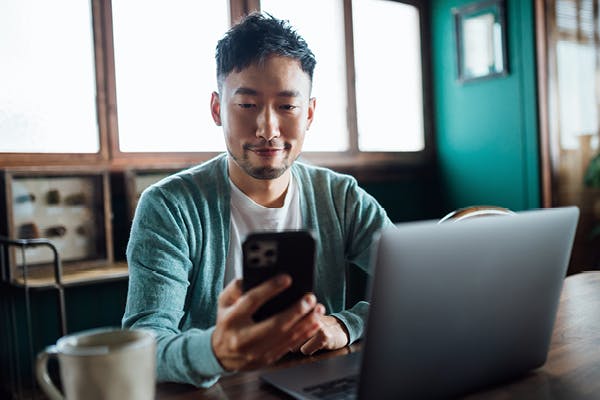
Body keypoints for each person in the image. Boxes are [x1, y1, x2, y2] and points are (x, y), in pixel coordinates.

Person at [122, 12, 392, 388]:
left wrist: (348, 324)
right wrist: (216, 350)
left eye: (287, 106)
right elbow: (144, 345)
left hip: (318, 386)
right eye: (247, 105)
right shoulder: (169, 207)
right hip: (216, 391)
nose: (267, 128)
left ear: (309, 113)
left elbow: (416, 290)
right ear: (217, 109)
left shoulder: (340, 196)